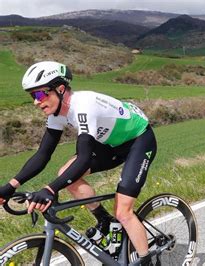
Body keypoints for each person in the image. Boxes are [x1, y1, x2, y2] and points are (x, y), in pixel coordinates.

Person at [0, 61, 157, 264]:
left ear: (60, 89)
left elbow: (83, 159)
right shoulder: (56, 115)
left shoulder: (83, 106)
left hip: (138, 140)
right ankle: (105, 221)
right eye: (32, 96)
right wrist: (11, 186)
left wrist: (50, 190)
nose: (36, 102)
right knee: (66, 174)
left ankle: (146, 261)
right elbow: (43, 155)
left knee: (124, 212)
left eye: (39, 95)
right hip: (109, 144)